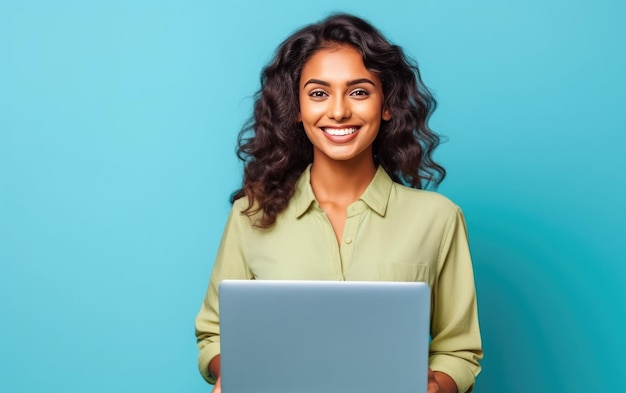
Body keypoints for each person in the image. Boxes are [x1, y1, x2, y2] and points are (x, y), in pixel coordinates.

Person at [195, 13, 483, 393]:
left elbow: (459, 352)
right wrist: (237, 371)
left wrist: (433, 387)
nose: (338, 111)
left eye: (359, 91)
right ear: (297, 108)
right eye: (318, 93)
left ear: (387, 104)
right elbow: (213, 337)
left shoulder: (438, 218)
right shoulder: (251, 215)